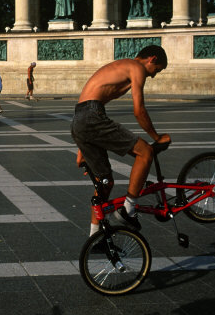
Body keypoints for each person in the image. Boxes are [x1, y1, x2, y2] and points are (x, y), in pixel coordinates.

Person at [71, 45, 170, 235]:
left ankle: (95, 235)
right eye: (157, 70)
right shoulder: (136, 67)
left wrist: (82, 148)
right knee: (146, 152)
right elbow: (138, 110)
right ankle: (128, 209)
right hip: (92, 116)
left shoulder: (119, 67)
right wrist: (157, 137)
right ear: (152, 59)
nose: (154, 75)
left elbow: (87, 107)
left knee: (105, 182)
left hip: (79, 120)